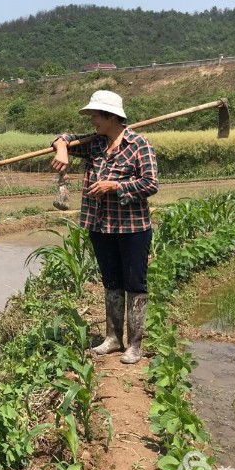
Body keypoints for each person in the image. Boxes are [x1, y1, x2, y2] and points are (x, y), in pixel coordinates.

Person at [50, 90, 158, 364]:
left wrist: (115, 186)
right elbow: (62, 137)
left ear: (111, 117)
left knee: (134, 284)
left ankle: (134, 344)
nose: (92, 122)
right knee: (111, 282)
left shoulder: (138, 145)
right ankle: (112, 338)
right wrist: (62, 148)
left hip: (132, 227)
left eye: (95, 116)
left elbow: (150, 184)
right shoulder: (94, 144)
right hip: (100, 226)